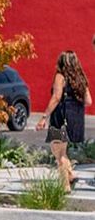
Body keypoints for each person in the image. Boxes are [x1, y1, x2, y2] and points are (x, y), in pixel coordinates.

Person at [35, 51, 91, 191]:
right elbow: (88, 101)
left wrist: (44, 117)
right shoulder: (81, 78)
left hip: (60, 117)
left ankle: (65, 186)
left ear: (61, 62)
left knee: (58, 152)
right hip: (75, 119)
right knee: (62, 151)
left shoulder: (60, 76)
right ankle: (70, 174)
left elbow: (56, 97)